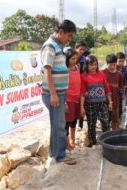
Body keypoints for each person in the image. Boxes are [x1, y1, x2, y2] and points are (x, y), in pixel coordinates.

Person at [41, 19, 77, 165]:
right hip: (53, 93)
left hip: (59, 93)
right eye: (69, 36)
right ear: (61, 32)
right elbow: (47, 71)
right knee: (59, 126)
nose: (69, 39)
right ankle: (60, 156)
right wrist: (54, 94)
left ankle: (53, 152)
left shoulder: (58, 46)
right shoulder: (50, 46)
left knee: (56, 124)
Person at [80, 55, 112, 147]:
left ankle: (107, 142)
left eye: (95, 64)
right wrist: (81, 107)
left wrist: (110, 102)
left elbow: (107, 88)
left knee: (106, 123)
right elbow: (82, 93)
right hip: (89, 105)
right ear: (86, 65)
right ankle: (93, 143)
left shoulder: (101, 74)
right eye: (91, 65)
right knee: (91, 125)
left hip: (102, 103)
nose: (93, 67)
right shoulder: (83, 76)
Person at [64, 48, 81, 150]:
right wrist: (64, 102)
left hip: (77, 99)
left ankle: (72, 140)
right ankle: (67, 144)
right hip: (68, 100)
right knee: (66, 122)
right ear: (67, 58)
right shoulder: (64, 70)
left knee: (74, 121)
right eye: (72, 58)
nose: (75, 60)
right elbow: (62, 88)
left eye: (76, 58)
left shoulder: (77, 68)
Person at [103, 54, 123, 130]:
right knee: (105, 120)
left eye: (114, 65)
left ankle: (114, 134)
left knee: (115, 120)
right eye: (110, 65)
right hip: (104, 101)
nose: (112, 67)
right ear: (107, 63)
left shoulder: (119, 74)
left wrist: (121, 96)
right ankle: (106, 135)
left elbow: (121, 88)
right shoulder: (102, 73)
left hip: (115, 101)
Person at [75, 41, 87, 131]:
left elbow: (85, 72)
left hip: (82, 83)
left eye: (83, 49)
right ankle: (73, 123)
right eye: (80, 49)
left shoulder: (84, 60)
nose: (82, 51)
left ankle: (81, 124)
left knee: (83, 103)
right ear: (76, 48)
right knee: (75, 104)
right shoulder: (71, 57)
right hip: (73, 83)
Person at [116, 52, 127, 123]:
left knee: (120, 110)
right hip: (112, 93)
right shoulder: (113, 69)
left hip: (120, 94)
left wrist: (123, 93)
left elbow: (124, 83)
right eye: (119, 61)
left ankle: (118, 125)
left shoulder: (125, 70)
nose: (121, 63)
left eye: (123, 61)